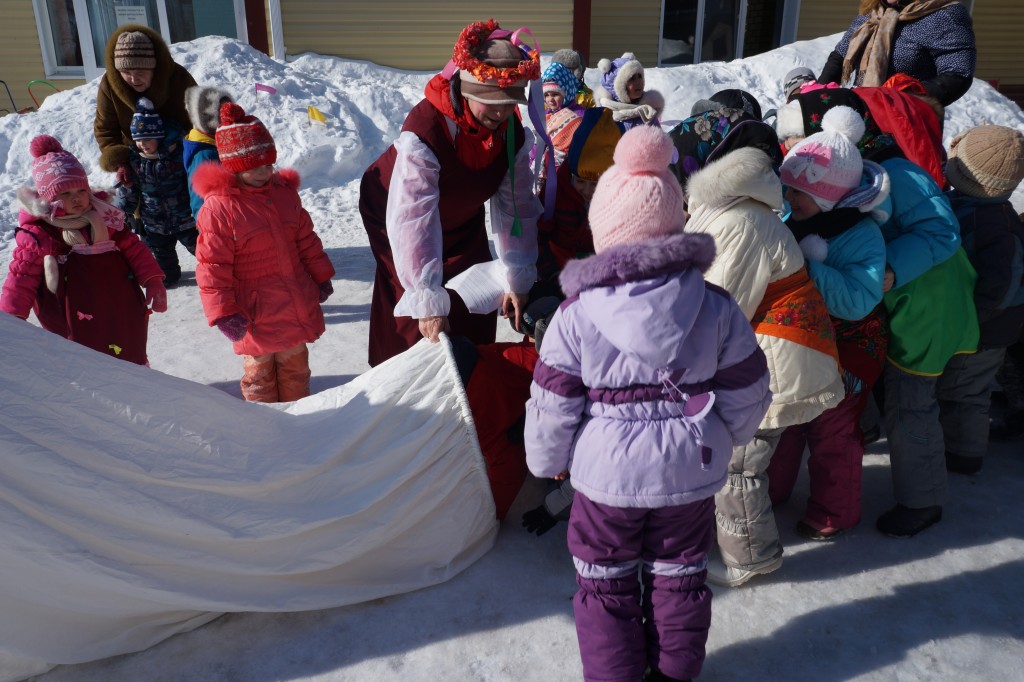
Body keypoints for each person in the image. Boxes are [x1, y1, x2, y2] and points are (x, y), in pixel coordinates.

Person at [525, 125, 771, 682]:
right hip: (689, 468)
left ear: (604, 231)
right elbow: (748, 387)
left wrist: (547, 462)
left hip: (605, 478)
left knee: (604, 582)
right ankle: (674, 674)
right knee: (680, 576)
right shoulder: (716, 305)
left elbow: (552, 402)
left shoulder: (575, 315)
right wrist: (726, 435)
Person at [776, 87, 979, 537]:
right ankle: (863, 441)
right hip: (880, 296)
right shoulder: (826, 180)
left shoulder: (897, 173)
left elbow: (943, 233)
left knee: (909, 402)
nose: (792, 148)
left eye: (797, 137)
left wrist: (891, 267)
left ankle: (922, 500)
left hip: (923, 299)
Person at [676, 114, 844, 585]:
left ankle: (752, 558)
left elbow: (722, 307)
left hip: (778, 356)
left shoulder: (739, 222)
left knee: (738, 463)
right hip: (772, 351)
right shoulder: (732, 213)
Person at [359, 20, 542, 367]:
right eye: (491, 101)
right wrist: (427, 301)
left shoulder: (512, 133)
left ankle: (471, 376)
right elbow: (414, 219)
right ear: (468, 91)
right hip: (394, 208)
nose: (501, 112)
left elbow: (515, 207)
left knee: (471, 298)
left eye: (509, 103)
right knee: (416, 313)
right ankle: (408, 384)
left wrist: (517, 276)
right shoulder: (425, 133)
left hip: (461, 212)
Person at [766, 107, 891, 540]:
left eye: (799, 192)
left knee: (832, 429)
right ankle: (772, 489)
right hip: (804, 341)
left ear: (829, 196)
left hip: (850, 346)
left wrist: (810, 268)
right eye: (787, 187)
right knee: (786, 418)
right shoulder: (796, 219)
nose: (789, 198)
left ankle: (834, 511)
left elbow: (858, 300)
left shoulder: (861, 235)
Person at [193, 103, 335, 403]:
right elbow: (212, 266)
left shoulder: (283, 194)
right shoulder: (220, 208)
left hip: (294, 301)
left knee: (296, 369)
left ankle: (300, 414)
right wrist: (223, 312)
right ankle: (265, 422)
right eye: (254, 167)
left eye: (268, 165)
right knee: (260, 376)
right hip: (253, 312)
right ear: (233, 166)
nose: (264, 172)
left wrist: (321, 276)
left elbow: (306, 240)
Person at [1, 135, 166, 365]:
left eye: (80, 190)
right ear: (48, 199)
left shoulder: (106, 218)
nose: (76, 198)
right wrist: (12, 319)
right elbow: (21, 276)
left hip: (119, 306)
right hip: (71, 315)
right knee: (85, 360)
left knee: (128, 351)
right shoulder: (41, 234)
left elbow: (134, 248)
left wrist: (153, 280)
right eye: (65, 194)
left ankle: (137, 379)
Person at [939, 125, 1024, 473]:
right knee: (958, 383)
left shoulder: (994, 227)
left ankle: (965, 453)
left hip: (985, 327)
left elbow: (1001, 285)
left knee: (965, 390)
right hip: (973, 321)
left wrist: (972, 319)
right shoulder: (972, 207)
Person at [531, 107, 622, 301]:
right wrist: (550, 272)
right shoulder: (555, 192)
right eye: (580, 181)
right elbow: (538, 235)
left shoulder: (620, 197)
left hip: (602, 277)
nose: (587, 191)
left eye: (595, 184)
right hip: (560, 272)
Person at [817, 0, 976, 107]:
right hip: (861, 114)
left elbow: (958, 74)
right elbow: (839, 56)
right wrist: (818, 95)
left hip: (908, 123)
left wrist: (900, 100)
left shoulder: (945, 15)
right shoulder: (873, 11)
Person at [114, 97, 198, 286]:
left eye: (147, 139)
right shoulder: (135, 162)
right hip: (154, 222)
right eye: (138, 140)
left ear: (159, 137)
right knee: (162, 255)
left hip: (185, 218)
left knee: (201, 249)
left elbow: (193, 181)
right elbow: (131, 189)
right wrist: (122, 210)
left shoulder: (177, 155)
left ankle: (216, 271)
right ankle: (169, 276)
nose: (143, 144)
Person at [94, 24, 196, 175]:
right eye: (126, 72)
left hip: (179, 158)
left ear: (154, 68)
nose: (134, 79)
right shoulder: (110, 85)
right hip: (136, 160)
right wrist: (120, 163)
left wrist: (192, 158)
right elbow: (105, 129)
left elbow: (197, 122)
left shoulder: (179, 79)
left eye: (140, 72)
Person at [183, 85, 234, 220]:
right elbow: (199, 203)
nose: (231, 116)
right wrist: (209, 228)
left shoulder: (219, 144)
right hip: (220, 225)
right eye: (223, 113)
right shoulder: (204, 155)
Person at [593, 53, 664, 130]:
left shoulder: (647, 114)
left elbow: (659, 136)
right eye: (632, 79)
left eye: (640, 76)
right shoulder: (604, 117)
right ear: (619, 88)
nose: (639, 82)